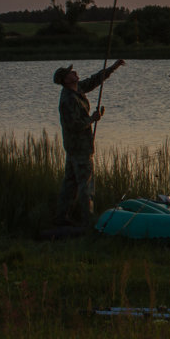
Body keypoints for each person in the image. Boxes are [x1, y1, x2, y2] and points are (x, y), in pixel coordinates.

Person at [53, 59, 125, 226]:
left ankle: (62, 219)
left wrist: (112, 68)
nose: (74, 72)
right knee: (85, 186)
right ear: (66, 80)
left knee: (70, 185)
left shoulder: (77, 89)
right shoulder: (68, 99)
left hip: (75, 148)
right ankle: (88, 221)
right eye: (71, 72)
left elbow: (94, 80)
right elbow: (74, 125)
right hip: (79, 149)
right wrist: (92, 118)